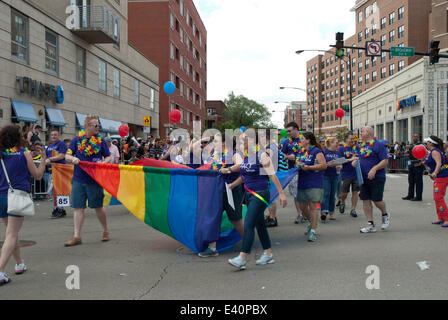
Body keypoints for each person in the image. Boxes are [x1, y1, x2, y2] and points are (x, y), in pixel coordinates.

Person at [227, 133, 287, 270]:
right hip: (248, 194)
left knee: (248, 224)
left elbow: (272, 174)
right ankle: (268, 254)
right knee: (260, 225)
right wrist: (232, 185)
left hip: (259, 194)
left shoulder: (262, 155)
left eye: (242, 141)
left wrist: (281, 193)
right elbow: (244, 177)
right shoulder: (247, 157)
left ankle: (242, 258)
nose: (239, 145)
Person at [0, 125, 47, 285]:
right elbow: (38, 175)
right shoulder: (24, 153)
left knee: (11, 233)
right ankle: (0, 271)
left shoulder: (1, 154)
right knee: (11, 235)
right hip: (16, 196)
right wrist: (44, 161)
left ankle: (19, 263)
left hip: (1, 197)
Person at [64, 115, 111, 247]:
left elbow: (108, 156)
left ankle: (105, 230)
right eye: (95, 125)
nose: (98, 128)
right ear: (87, 127)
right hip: (79, 179)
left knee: (98, 207)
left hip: (94, 180)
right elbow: (67, 155)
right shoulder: (77, 140)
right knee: (78, 208)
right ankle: (77, 236)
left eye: (98, 125)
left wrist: (103, 162)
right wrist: (72, 159)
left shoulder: (100, 141)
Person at [198, 138, 245, 257]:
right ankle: (212, 248)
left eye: (217, 142)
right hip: (216, 191)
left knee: (235, 218)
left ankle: (247, 240)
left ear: (225, 143)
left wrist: (229, 169)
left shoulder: (234, 154)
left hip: (231, 190)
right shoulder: (215, 156)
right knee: (213, 217)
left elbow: (241, 166)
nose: (214, 144)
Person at [353, 126, 390, 233]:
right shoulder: (361, 146)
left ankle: (385, 214)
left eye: (362, 131)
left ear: (368, 133)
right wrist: (355, 162)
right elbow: (359, 159)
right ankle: (370, 224)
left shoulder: (379, 145)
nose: (361, 134)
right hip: (363, 177)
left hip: (377, 177)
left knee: (377, 200)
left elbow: (385, 161)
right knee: (365, 200)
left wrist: (374, 168)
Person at [296, 132, 327, 242]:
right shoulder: (302, 151)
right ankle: (313, 223)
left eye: (303, 138)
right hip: (302, 182)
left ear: (308, 140)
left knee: (313, 206)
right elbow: (299, 163)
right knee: (302, 206)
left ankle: (313, 230)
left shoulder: (316, 151)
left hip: (314, 182)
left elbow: (323, 165)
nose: (301, 140)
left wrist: (309, 167)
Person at [281, 122, 305, 224]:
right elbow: (282, 154)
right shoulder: (286, 141)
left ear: (296, 129)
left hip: (305, 170)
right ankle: (300, 214)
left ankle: (306, 213)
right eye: (287, 131)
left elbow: (307, 153)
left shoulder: (304, 139)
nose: (288, 133)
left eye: (289, 131)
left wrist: (294, 157)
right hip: (292, 171)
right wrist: (286, 157)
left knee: (305, 194)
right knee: (296, 194)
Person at [424, 136, 448, 227]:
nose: (426, 144)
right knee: (437, 198)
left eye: (427, 143)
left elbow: (439, 163)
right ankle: (441, 217)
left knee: (438, 198)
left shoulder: (434, 151)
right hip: (440, 177)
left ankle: (446, 218)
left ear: (431, 143)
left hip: (441, 177)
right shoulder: (434, 151)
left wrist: (435, 172)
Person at [45, 130, 68, 219]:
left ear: (59, 135)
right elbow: (46, 157)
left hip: (60, 171)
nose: (53, 136)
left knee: (58, 191)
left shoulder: (61, 144)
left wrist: (50, 159)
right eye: (52, 135)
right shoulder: (49, 146)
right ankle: (59, 209)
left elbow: (61, 156)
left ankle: (59, 209)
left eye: (55, 135)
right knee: (52, 192)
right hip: (51, 171)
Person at [337, 132, 361, 217]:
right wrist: (351, 159)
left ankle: (353, 209)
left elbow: (361, 158)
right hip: (345, 174)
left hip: (356, 174)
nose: (352, 140)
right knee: (344, 193)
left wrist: (358, 160)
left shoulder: (357, 148)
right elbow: (339, 161)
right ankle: (342, 202)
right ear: (346, 139)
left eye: (353, 138)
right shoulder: (341, 149)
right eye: (351, 138)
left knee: (355, 192)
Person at [321, 137, 340, 221]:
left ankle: (331, 213)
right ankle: (324, 212)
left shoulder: (337, 153)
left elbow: (340, 163)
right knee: (326, 194)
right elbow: (322, 164)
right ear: (331, 143)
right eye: (336, 142)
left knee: (332, 195)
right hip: (326, 175)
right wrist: (329, 164)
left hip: (335, 175)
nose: (337, 144)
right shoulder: (324, 152)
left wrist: (340, 166)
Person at [402, 134, 424, 201]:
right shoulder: (411, 145)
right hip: (411, 164)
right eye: (414, 136)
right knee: (411, 181)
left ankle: (418, 196)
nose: (414, 138)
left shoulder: (421, 145)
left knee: (418, 181)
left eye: (416, 137)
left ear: (418, 137)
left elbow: (424, 154)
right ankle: (410, 195)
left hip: (418, 164)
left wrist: (420, 162)